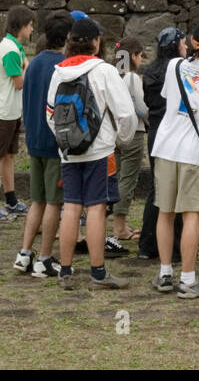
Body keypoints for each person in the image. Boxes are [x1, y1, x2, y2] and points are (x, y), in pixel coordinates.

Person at [48, 17, 137, 288]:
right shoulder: (104, 70)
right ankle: (98, 272)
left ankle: (65, 271)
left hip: (69, 152)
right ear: (96, 42)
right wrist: (120, 139)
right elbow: (125, 113)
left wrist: (65, 141)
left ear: (70, 42)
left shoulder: (58, 71)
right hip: (100, 151)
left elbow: (50, 114)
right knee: (97, 208)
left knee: (72, 207)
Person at [149, 21, 199, 298]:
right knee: (191, 213)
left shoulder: (173, 67)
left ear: (192, 40)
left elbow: (168, 98)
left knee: (165, 212)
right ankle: (188, 277)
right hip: (193, 152)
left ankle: (164, 273)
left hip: (165, 146)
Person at [14, 10, 74, 276]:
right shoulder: (63, 65)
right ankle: (46, 257)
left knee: (37, 200)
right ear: (68, 36)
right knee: (54, 203)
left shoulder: (35, 62)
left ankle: (25, 253)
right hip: (54, 144)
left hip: (34, 140)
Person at [138, 26, 188, 262]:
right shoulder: (180, 70)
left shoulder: (149, 71)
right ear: (176, 45)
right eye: (184, 43)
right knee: (174, 189)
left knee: (157, 189)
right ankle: (175, 248)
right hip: (174, 131)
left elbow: (149, 101)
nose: (186, 47)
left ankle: (148, 244)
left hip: (155, 130)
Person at [0, 5, 35, 221]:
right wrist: (28, 68)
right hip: (3, 111)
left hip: (12, 111)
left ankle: (11, 199)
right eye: (30, 26)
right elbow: (19, 82)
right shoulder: (10, 50)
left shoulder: (15, 48)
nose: (32, 30)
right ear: (22, 26)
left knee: (8, 156)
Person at [112, 35, 148, 244]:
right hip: (133, 132)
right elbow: (141, 108)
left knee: (115, 177)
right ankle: (120, 226)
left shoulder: (111, 74)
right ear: (133, 56)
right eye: (140, 55)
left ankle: (117, 223)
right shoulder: (132, 78)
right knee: (128, 179)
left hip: (114, 132)